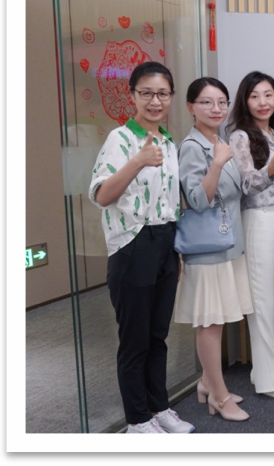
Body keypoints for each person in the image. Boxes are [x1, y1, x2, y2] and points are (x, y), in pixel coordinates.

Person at [89, 61, 195, 433]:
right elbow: (102, 196)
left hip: (165, 242)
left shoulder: (168, 142)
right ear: (132, 95)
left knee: (157, 336)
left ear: (171, 97)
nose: (155, 101)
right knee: (134, 341)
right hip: (132, 244)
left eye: (162, 94)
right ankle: (137, 420)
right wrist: (137, 162)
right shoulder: (120, 139)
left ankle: (158, 408)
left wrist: (174, 253)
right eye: (146, 93)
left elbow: (169, 202)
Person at [175, 77, 252, 422]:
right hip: (207, 249)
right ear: (190, 107)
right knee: (209, 324)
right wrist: (218, 163)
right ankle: (219, 397)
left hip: (226, 244)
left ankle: (208, 384)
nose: (216, 108)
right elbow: (196, 199)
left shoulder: (218, 141)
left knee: (217, 321)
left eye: (222, 102)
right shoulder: (193, 147)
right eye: (206, 102)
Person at [227, 71, 274, 402]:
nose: (263, 102)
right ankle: (269, 381)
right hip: (259, 218)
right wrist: (269, 172)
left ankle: (269, 367)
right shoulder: (239, 136)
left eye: (268, 94)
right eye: (255, 96)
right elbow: (246, 184)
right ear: (245, 101)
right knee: (261, 300)